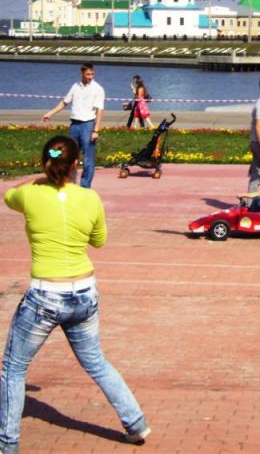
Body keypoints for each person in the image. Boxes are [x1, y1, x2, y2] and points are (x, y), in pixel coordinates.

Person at [0, 135, 150, 453]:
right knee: (95, 361)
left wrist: (40, 179)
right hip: (84, 292)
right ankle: (135, 423)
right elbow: (99, 241)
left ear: (45, 164)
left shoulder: (29, 194)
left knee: (14, 366)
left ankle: (7, 444)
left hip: (45, 295)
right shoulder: (90, 198)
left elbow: (8, 196)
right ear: (76, 165)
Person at [42, 62, 104, 188]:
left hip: (88, 125)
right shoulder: (75, 86)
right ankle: (70, 183)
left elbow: (99, 111)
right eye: (87, 74)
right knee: (70, 156)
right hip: (75, 125)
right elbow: (65, 102)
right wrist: (50, 113)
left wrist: (96, 130)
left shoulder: (98, 89)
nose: (90, 76)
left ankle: (85, 186)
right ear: (82, 73)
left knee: (88, 160)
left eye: (92, 74)